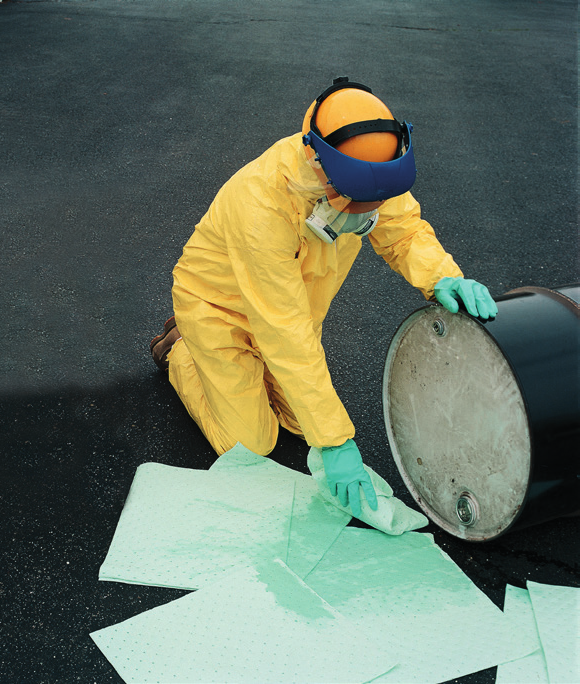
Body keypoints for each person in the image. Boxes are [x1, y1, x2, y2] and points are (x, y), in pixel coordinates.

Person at [149, 77, 498, 517]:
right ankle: (182, 350)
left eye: (375, 200)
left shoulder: (367, 167)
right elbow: (287, 334)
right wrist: (335, 441)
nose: (368, 214)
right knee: (253, 445)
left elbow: (403, 230)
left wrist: (443, 277)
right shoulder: (261, 205)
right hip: (218, 308)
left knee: (299, 421)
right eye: (356, 201)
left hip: (286, 316)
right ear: (317, 162)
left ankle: (242, 374)